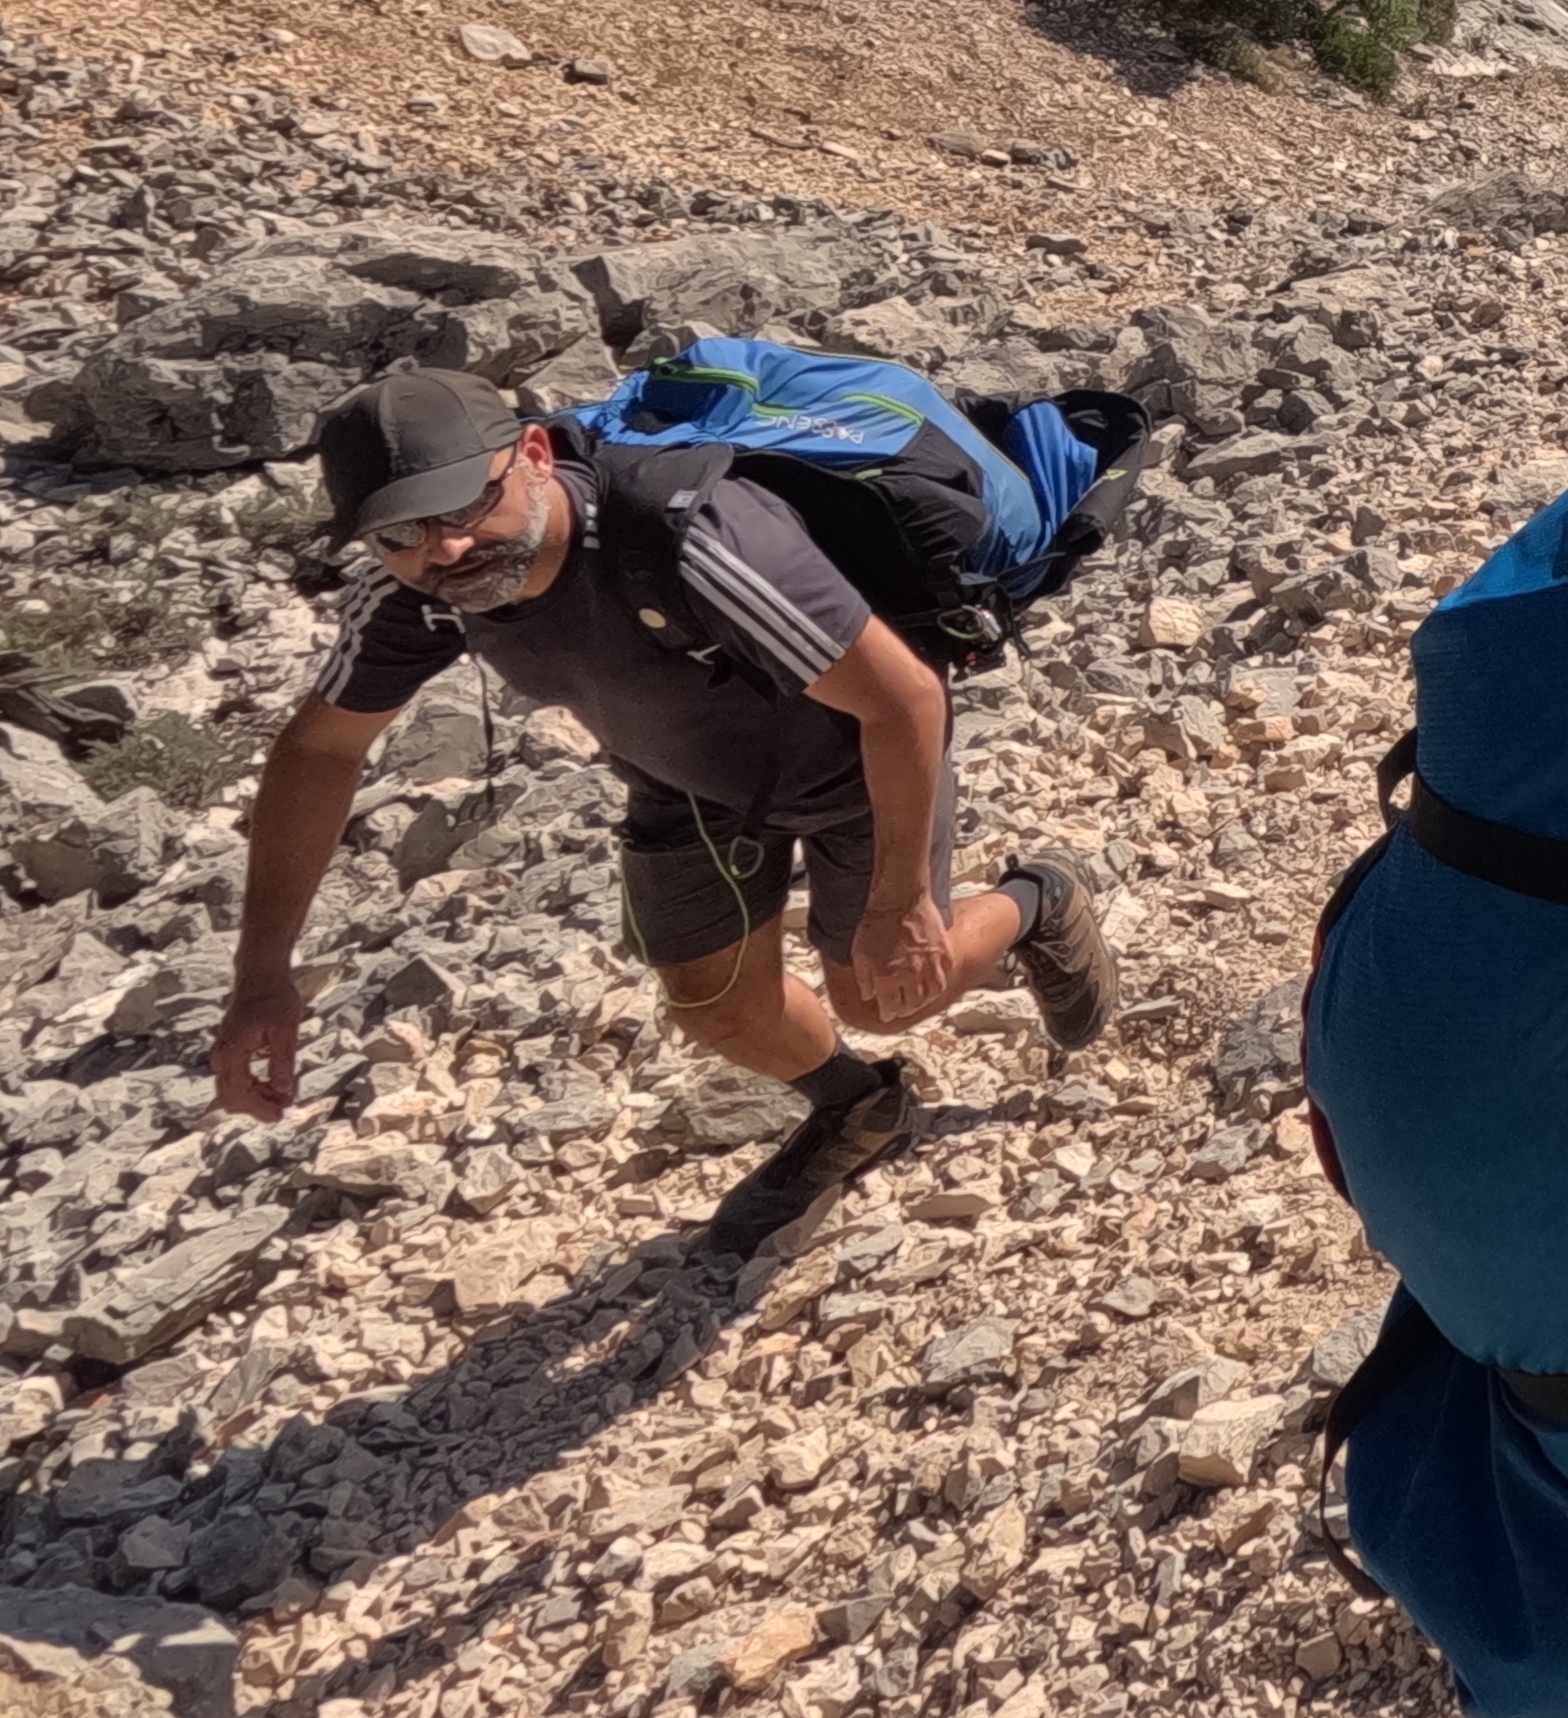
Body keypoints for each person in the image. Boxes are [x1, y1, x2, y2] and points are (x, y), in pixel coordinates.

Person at [215, 365, 1115, 1216]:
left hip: (850, 768)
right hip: (683, 780)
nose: (444, 546)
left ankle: (1037, 900)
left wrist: (904, 902)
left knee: (887, 993)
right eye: (400, 531)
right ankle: (860, 1110)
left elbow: (905, 701)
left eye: (464, 504)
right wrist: (261, 979)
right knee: (712, 1002)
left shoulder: (684, 537)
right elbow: (320, 753)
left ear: (533, 456)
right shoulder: (419, 593)